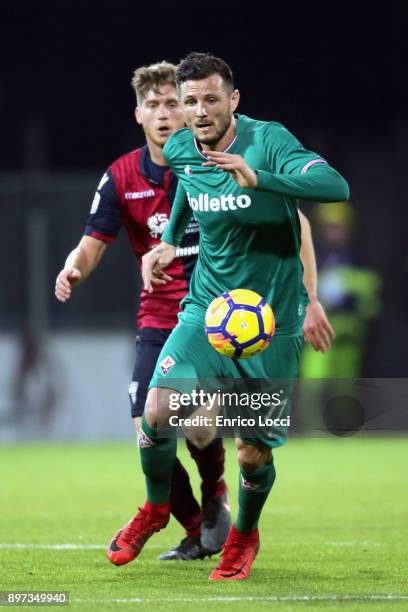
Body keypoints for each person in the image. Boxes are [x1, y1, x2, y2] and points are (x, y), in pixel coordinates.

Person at [107, 52, 348, 580]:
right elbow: (192, 197)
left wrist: (260, 178)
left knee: (252, 457)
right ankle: (156, 507)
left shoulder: (269, 141)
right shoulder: (180, 149)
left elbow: (336, 187)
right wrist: (168, 242)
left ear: (233, 100)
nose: (198, 110)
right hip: (207, 312)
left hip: (272, 322)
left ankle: (243, 535)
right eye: (189, 100)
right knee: (157, 409)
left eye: (210, 99)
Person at [54, 61, 231, 561]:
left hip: (214, 316)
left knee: (197, 422)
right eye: (153, 105)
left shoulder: (218, 164)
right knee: (146, 431)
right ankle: (198, 525)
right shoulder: (121, 176)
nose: (164, 113)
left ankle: (215, 492)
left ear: (188, 109)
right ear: (138, 114)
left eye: (173, 103)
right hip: (157, 317)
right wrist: (73, 270)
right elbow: (92, 243)